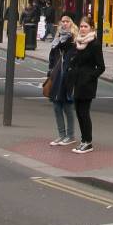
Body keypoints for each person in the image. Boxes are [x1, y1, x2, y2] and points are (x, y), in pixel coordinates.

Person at [66, 17, 105, 154]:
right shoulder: (78, 43)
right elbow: (75, 61)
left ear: (91, 28)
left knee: (84, 113)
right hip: (77, 82)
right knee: (78, 112)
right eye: (81, 26)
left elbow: (101, 67)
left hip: (87, 84)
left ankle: (88, 142)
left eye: (86, 26)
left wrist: (89, 77)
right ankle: (83, 141)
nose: (82, 29)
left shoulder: (94, 44)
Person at [47, 14, 77, 146]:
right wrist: (50, 70)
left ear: (71, 23)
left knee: (67, 107)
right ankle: (61, 135)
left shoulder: (73, 39)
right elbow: (52, 56)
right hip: (57, 75)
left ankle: (70, 136)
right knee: (56, 106)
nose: (64, 23)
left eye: (67, 21)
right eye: (63, 21)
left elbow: (73, 57)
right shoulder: (57, 38)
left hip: (67, 76)